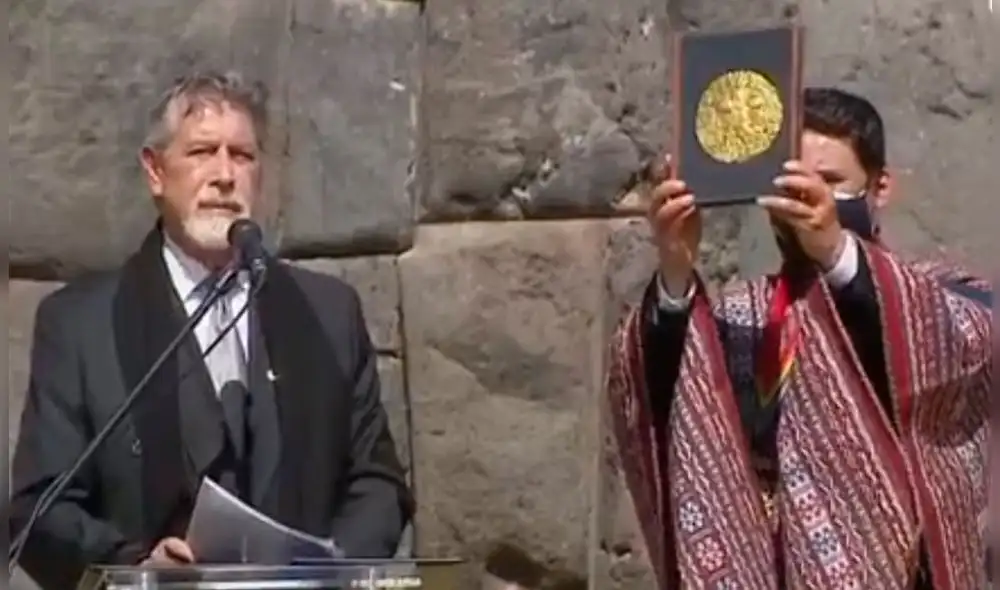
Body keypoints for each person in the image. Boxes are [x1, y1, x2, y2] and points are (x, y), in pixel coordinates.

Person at [9, 71, 413, 590]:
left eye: (242, 156)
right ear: (156, 172)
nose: (225, 175)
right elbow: (41, 507)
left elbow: (376, 481)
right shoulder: (81, 325)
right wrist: (133, 569)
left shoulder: (327, 313)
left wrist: (334, 568)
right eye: (202, 152)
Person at [606, 87, 991, 589]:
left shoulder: (939, 294)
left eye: (830, 182)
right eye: (791, 185)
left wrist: (835, 252)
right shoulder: (741, 313)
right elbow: (659, 390)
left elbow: (964, 342)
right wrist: (676, 269)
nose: (808, 200)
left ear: (879, 188)